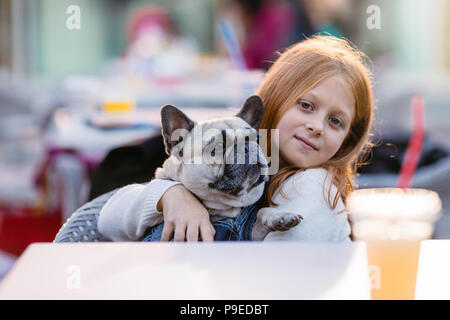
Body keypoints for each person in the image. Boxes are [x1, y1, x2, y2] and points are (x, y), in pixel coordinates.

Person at [97, 35, 374, 242]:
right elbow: (105, 218)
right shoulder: (258, 161)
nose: (316, 127)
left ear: (348, 139)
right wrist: (170, 194)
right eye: (306, 106)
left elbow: (274, 279)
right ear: (275, 99)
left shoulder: (312, 187)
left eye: (335, 121)